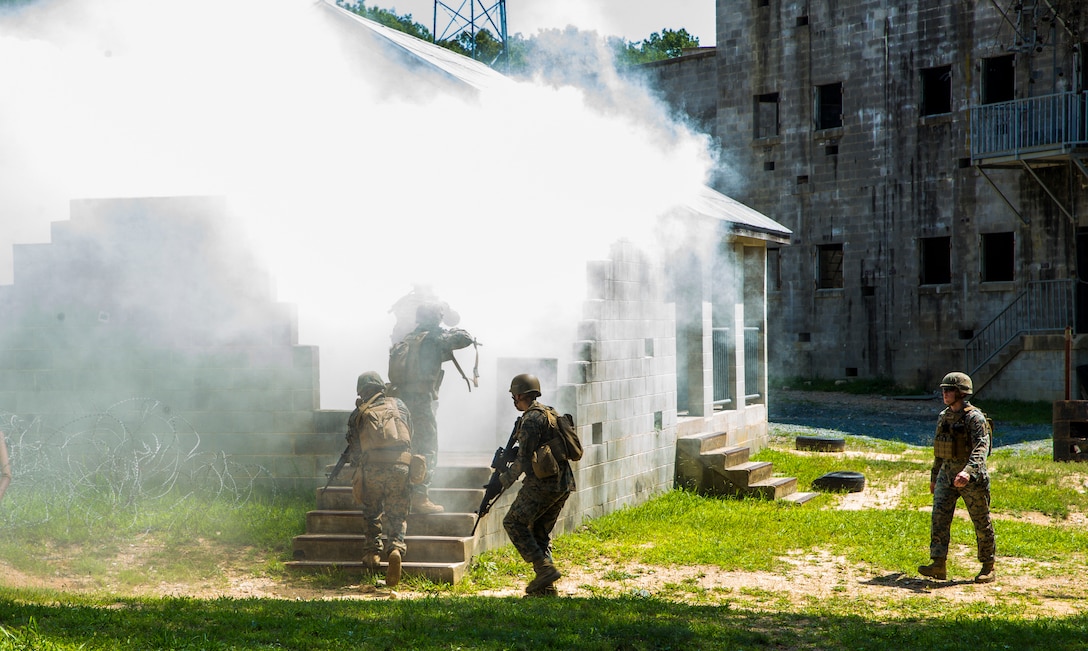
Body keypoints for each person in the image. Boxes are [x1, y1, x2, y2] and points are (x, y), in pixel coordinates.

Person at [391, 302, 475, 514]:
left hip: (402, 401)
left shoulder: (409, 337)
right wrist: (443, 324)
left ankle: (403, 494)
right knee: (426, 448)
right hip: (422, 402)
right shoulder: (434, 337)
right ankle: (420, 496)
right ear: (436, 317)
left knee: (407, 446)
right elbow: (465, 337)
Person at [499, 373, 576, 597]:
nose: (514, 400)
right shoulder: (549, 412)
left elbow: (523, 460)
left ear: (520, 395)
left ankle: (544, 570)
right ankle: (546, 588)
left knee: (513, 522)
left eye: (514, 396)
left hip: (544, 484)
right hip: (562, 483)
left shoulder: (531, 418)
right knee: (539, 532)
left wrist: (504, 480)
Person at [918, 371, 996, 583]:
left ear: (961, 393)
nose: (945, 393)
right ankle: (938, 563)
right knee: (939, 518)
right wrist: (934, 476)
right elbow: (939, 448)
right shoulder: (944, 416)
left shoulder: (975, 418)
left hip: (971, 477)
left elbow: (981, 448)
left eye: (949, 390)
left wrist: (968, 472)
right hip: (947, 474)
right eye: (943, 389)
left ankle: (988, 566)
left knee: (981, 520)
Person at [347, 371, 413, 587]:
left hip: (373, 467)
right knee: (397, 512)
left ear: (361, 391)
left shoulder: (360, 411)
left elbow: (354, 447)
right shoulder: (399, 405)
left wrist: (357, 466)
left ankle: (372, 554)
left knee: (372, 511)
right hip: (400, 466)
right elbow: (410, 433)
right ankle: (395, 548)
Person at [388, 284, 461, 345]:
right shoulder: (436, 304)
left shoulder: (404, 301)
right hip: (423, 344)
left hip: (399, 346)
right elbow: (453, 321)